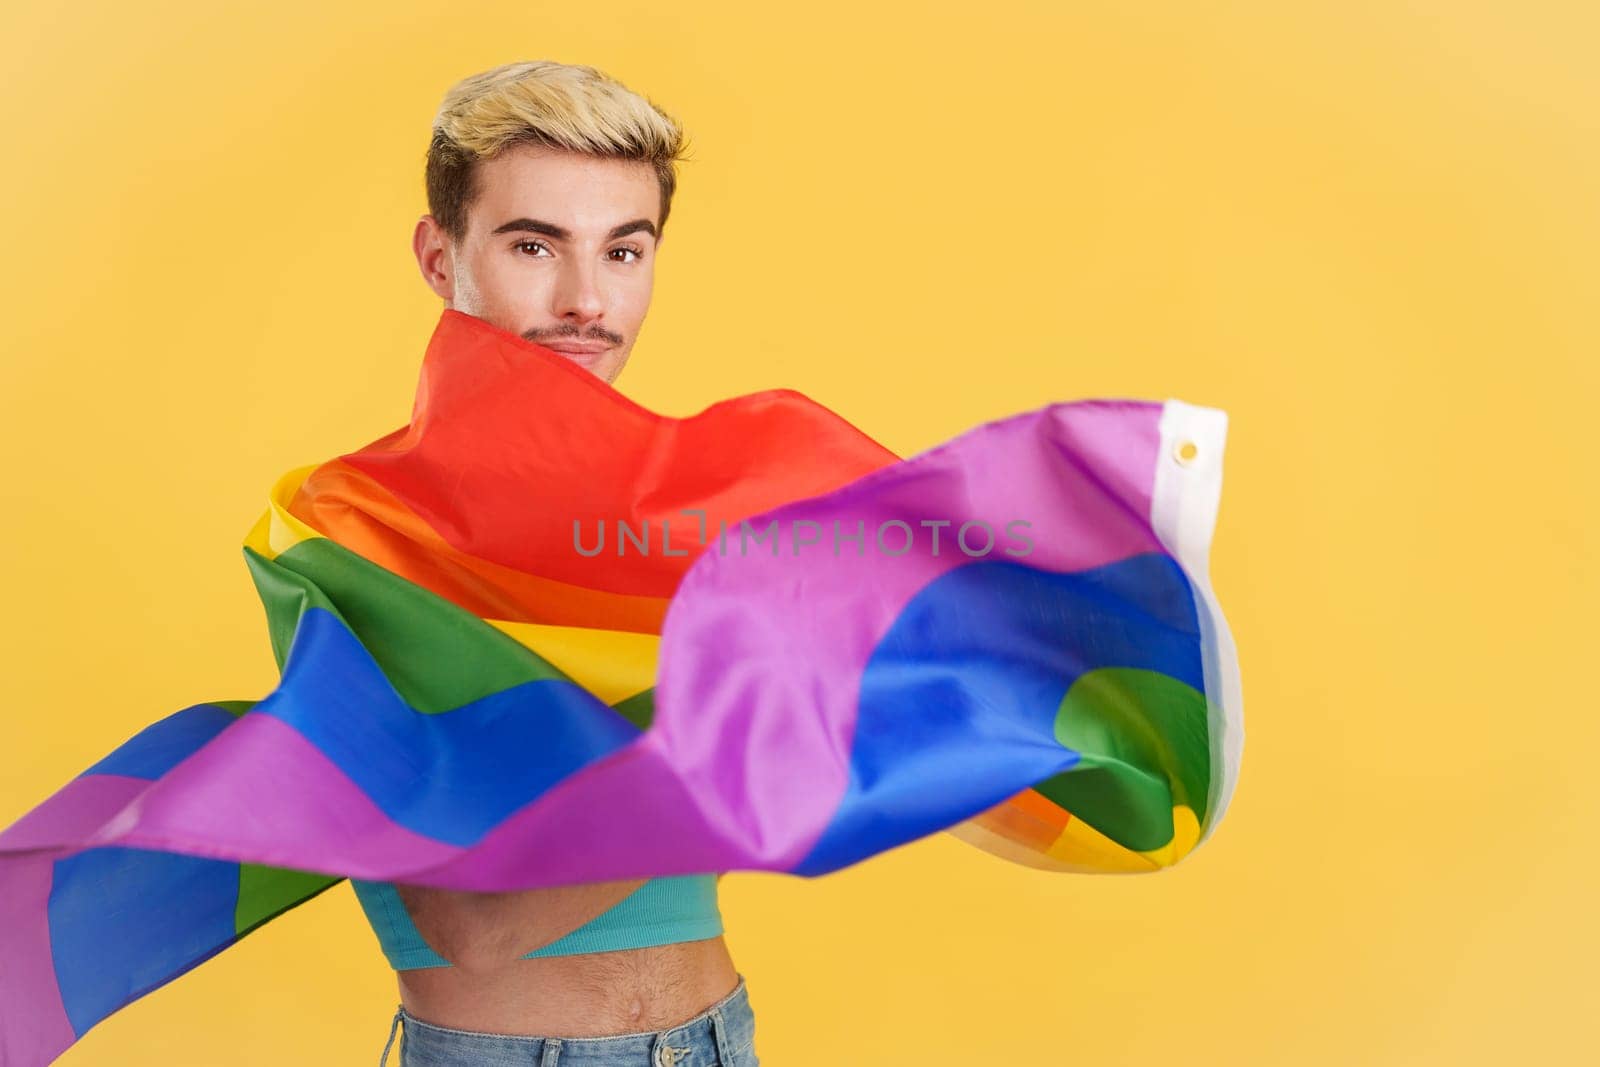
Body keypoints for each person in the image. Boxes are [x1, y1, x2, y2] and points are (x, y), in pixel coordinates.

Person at [357, 59, 760, 1067]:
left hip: (719, 1038)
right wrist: (738, 726)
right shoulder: (365, 535)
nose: (587, 300)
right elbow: (473, 926)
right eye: (535, 243)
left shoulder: (684, 523)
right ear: (440, 255)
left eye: (624, 250)